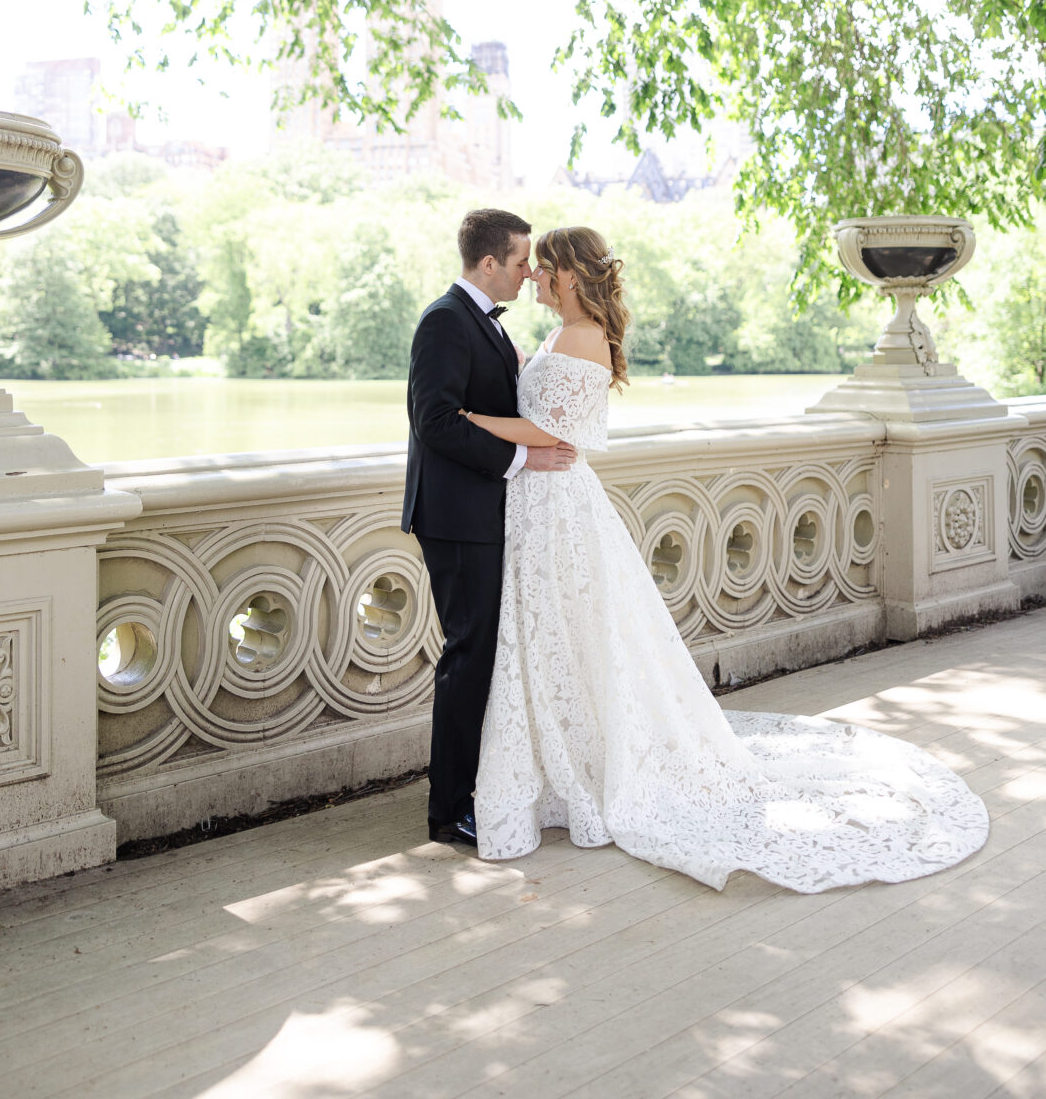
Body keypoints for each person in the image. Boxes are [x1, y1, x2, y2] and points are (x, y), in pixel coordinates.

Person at [462, 225, 990, 894]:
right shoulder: (557, 335)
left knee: (572, 631)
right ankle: (559, 761)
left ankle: (587, 767)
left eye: (543, 267)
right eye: (528, 266)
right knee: (557, 637)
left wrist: (467, 422)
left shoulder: (580, 336)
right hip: (540, 502)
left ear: (569, 274)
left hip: (557, 504)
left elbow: (552, 433)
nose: (534, 276)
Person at [402, 208, 577, 849]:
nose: (530, 270)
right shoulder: (445, 321)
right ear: (488, 264)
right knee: (468, 658)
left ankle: (478, 789)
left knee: (482, 657)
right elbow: (437, 422)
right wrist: (526, 458)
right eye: (522, 259)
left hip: (483, 513)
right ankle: (448, 812)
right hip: (455, 517)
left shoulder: (487, 326)